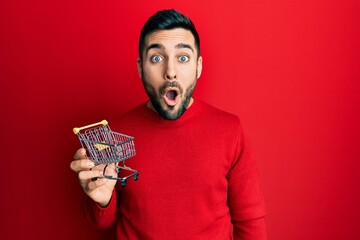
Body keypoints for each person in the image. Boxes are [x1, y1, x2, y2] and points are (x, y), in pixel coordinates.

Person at [70, 9, 267, 239]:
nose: (170, 72)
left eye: (183, 58)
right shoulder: (112, 135)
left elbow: (250, 221)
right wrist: (102, 199)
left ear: (198, 67)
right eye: (156, 58)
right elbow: (99, 222)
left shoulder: (231, 130)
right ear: (140, 67)